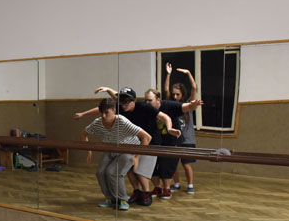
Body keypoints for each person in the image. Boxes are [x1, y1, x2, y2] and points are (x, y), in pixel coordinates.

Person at [75, 87, 179, 206]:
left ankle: (145, 193)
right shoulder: (117, 109)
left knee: (138, 171)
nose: (123, 104)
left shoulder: (143, 108)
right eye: (121, 101)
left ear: (134, 101)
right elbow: (104, 109)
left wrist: (169, 129)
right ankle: (136, 191)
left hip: (147, 142)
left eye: (126, 102)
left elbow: (163, 119)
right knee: (126, 170)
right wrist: (84, 113)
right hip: (126, 144)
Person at [81, 98, 151, 210]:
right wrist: (88, 150)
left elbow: (147, 137)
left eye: (106, 112)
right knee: (100, 172)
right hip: (111, 148)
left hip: (128, 149)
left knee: (112, 172)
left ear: (114, 111)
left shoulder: (122, 121)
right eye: (101, 113)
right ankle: (110, 199)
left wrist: (137, 157)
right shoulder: (97, 122)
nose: (104, 116)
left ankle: (123, 200)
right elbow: (84, 134)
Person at [144, 88, 203, 199]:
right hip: (155, 141)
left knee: (166, 166)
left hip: (171, 141)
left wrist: (193, 105)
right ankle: (157, 188)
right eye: (146, 100)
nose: (147, 103)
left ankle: (167, 189)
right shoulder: (145, 108)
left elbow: (187, 107)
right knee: (152, 167)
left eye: (150, 100)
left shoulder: (169, 105)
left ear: (158, 100)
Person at [165, 63, 199, 192]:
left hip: (187, 140)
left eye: (178, 94)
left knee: (186, 163)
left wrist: (189, 73)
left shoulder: (188, 104)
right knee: (173, 164)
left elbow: (194, 88)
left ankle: (190, 185)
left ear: (182, 94)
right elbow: (166, 90)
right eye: (174, 94)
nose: (175, 97)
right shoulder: (171, 104)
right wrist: (168, 74)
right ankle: (177, 183)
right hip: (175, 139)